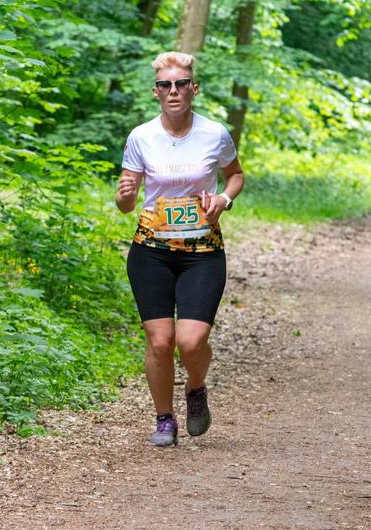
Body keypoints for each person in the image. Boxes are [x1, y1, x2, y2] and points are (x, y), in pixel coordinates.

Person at [116, 52, 245, 447]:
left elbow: (235, 176)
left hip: (202, 251)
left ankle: (196, 388)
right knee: (160, 341)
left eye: (182, 83)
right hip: (151, 250)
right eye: (166, 85)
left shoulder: (214, 133)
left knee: (190, 342)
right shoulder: (141, 136)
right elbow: (126, 201)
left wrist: (224, 199)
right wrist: (125, 196)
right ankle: (164, 419)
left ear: (194, 88)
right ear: (156, 92)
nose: (174, 91)